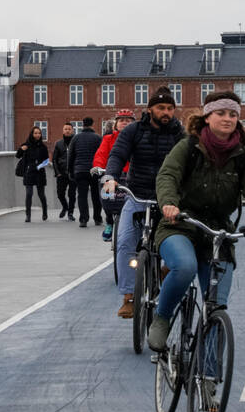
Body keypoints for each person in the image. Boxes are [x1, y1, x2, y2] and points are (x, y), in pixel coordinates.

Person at [147, 92, 245, 410]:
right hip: (180, 224)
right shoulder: (188, 147)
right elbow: (168, 175)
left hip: (218, 232)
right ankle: (162, 319)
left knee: (216, 307)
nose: (228, 119)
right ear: (208, 118)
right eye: (221, 114)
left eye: (233, 114)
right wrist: (169, 203)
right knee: (185, 267)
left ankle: (206, 381)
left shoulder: (242, 155)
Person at [102, 91, 183, 319]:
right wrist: (111, 177)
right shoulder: (133, 130)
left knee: (180, 240)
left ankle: (166, 269)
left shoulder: (178, 132)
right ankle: (128, 297)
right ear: (150, 110)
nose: (166, 113)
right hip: (137, 196)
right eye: (161, 108)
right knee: (125, 240)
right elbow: (117, 154)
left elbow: (189, 160)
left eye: (169, 108)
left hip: (169, 199)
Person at [93, 109, 135, 242]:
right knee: (106, 195)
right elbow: (101, 154)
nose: (124, 123)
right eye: (121, 120)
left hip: (131, 174)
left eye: (128, 121)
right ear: (115, 124)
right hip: (112, 173)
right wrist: (98, 167)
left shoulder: (137, 139)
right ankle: (110, 221)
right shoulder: (108, 139)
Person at [66, 116, 104, 228]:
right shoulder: (98, 138)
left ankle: (83, 219)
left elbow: (70, 155)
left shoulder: (75, 138)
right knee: (96, 195)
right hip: (95, 170)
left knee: (82, 195)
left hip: (80, 170)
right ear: (92, 124)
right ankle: (97, 218)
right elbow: (102, 154)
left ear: (82, 125)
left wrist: (70, 170)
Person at [17, 126, 50, 221]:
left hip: (40, 172)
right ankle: (28, 215)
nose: (37, 135)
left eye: (39, 133)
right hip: (29, 172)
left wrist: (39, 166)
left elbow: (47, 160)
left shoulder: (43, 147)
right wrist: (21, 149)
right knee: (29, 193)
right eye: (35, 133)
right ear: (32, 134)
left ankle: (45, 211)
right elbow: (17, 155)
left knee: (41, 194)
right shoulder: (26, 145)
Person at [52, 122, 76, 219]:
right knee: (60, 193)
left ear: (72, 130)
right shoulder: (58, 143)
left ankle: (70, 213)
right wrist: (57, 172)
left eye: (69, 129)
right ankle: (65, 207)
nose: (67, 131)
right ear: (63, 130)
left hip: (73, 173)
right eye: (65, 129)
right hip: (61, 173)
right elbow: (54, 159)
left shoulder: (75, 142)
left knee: (72, 194)